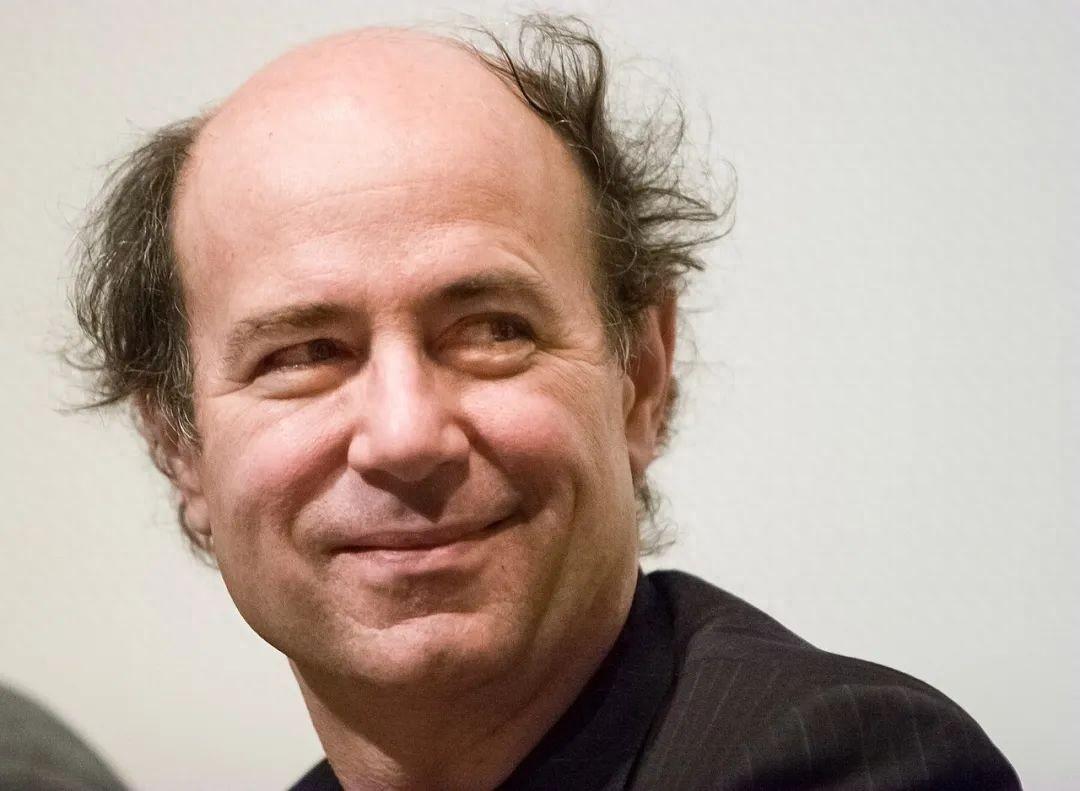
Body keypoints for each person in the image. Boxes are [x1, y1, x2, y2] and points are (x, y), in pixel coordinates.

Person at [69, 14, 1021, 791]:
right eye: (306, 354)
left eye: (492, 330)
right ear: (179, 446)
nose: (405, 435)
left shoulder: (842, 763)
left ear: (640, 376)